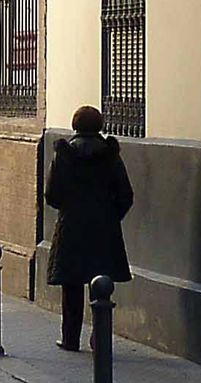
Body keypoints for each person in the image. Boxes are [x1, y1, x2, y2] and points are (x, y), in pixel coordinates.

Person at [43, 103, 134, 351]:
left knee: (71, 285)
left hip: (72, 226)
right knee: (101, 285)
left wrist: (69, 209)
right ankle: (99, 336)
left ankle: (70, 337)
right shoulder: (110, 155)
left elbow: (51, 194)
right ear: (100, 125)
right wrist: (111, 215)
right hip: (104, 227)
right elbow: (126, 194)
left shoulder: (64, 154)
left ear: (75, 125)